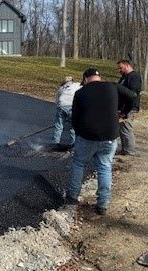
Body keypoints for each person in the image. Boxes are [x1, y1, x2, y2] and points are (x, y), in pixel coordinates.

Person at [64, 67, 136, 215]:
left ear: (85, 79)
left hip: (87, 136)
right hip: (109, 136)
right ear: (99, 77)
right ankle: (102, 204)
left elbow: (75, 118)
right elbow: (133, 96)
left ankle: (72, 196)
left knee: (79, 164)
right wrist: (124, 111)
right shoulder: (113, 87)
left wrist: (79, 133)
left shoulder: (80, 92)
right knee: (104, 167)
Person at [117, 59, 142, 156]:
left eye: (121, 68)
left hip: (130, 107)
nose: (119, 70)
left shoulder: (134, 76)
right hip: (122, 107)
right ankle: (125, 149)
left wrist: (126, 109)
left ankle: (130, 151)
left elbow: (133, 93)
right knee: (122, 129)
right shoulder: (124, 77)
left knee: (126, 128)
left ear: (127, 66)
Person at [53, 75, 81, 150]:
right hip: (72, 107)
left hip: (62, 106)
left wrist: (59, 111)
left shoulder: (61, 88)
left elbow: (56, 101)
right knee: (72, 127)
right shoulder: (77, 86)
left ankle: (56, 143)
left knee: (58, 125)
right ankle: (73, 145)